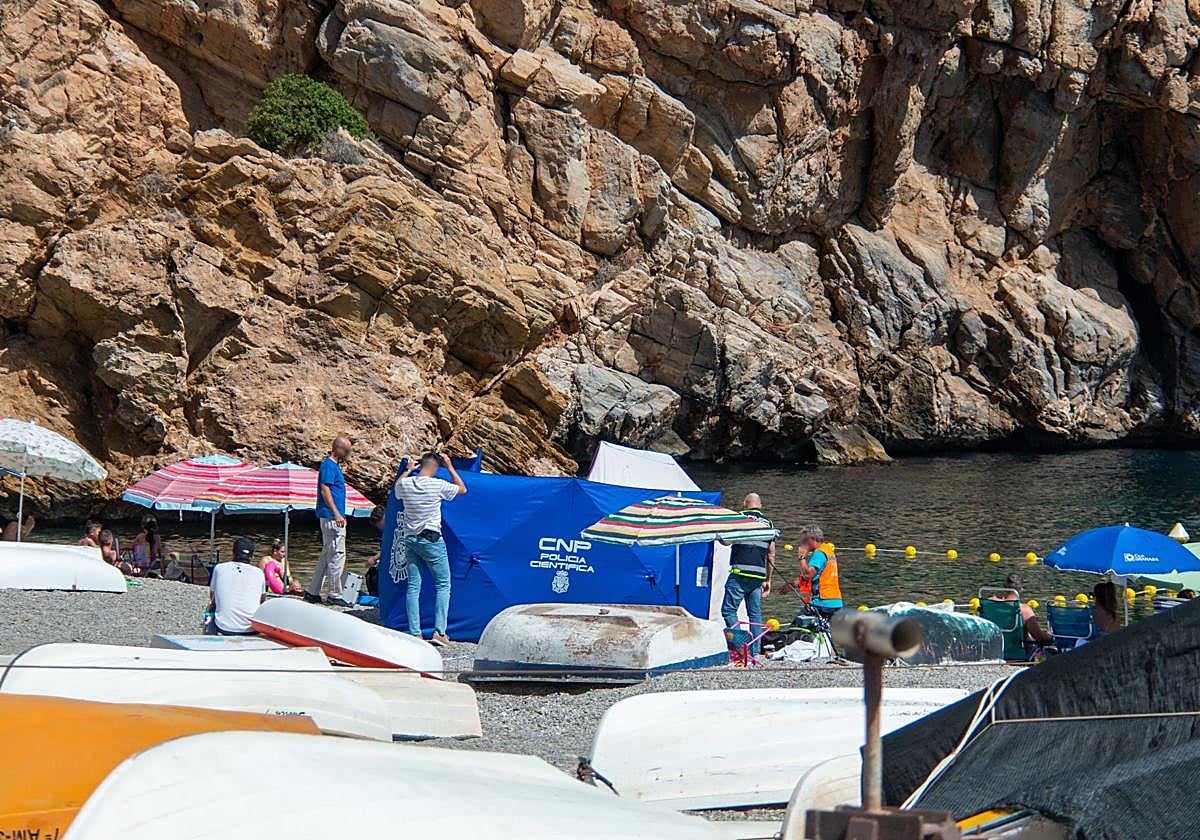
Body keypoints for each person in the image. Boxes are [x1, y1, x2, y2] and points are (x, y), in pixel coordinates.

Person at [393, 452, 466, 646]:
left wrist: (408, 470)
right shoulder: (437, 484)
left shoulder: (406, 484)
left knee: (413, 586)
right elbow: (462, 489)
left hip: (410, 539)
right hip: (431, 539)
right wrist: (450, 466)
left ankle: (415, 633)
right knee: (443, 584)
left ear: (421, 465)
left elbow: (396, 488)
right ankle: (440, 632)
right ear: (435, 467)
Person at [719, 493, 775, 656]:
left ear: (745, 503)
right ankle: (755, 651)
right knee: (754, 614)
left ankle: (741, 646)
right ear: (760, 506)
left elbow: (727, 541)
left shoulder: (739, 517)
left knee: (729, 611)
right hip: (758, 576)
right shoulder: (768, 523)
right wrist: (768, 580)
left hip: (739, 572)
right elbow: (771, 554)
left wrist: (716, 535)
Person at [306, 435, 354, 607]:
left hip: (330, 516)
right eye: (347, 451)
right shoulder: (329, 465)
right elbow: (325, 489)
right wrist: (337, 513)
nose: (348, 454)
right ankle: (334, 593)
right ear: (338, 449)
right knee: (337, 554)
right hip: (333, 517)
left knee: (327, 554)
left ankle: (312, 591)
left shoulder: (332, 466)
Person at [210, 537, 266, 635]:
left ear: (233, 553)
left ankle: (208, 635)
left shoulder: (219, 568)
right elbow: (262, 601)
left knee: (211, 606)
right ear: (251, 557)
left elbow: (212, 595)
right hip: (250, 628)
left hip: (224, 626)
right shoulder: (259, 573)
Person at [993, 573, 1053, 650]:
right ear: (1021, 590)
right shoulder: (1025, 610)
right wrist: (1049, 635)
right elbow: (1040, 637)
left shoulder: (991, 604)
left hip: (995, 653)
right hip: (1018, 654)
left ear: (1004, 588)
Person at [796, 525, 843, 620]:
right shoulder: (828, 550)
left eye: (804, 540)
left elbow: (808, 575)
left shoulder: (819, 553)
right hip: (835, 601)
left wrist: (802, 557)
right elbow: (820, 576)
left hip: (822, 603)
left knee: (797, 627)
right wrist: (792, 585)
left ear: (812, 538)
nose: (802, 544)